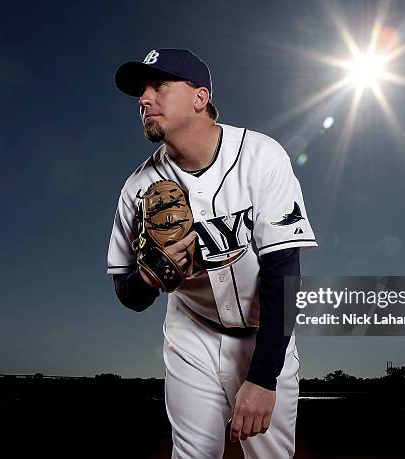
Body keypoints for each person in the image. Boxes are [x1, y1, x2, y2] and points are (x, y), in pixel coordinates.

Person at [106, 48, 317, 458]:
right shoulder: (137, 188)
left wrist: (263, 377)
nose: (144, 99)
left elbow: (284, 275)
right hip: (191, 332)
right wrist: (147, 278)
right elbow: (126, 292)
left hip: (265, 336)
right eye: (141, 91)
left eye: (159, 86)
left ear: (200, 98)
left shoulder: (261, 157)